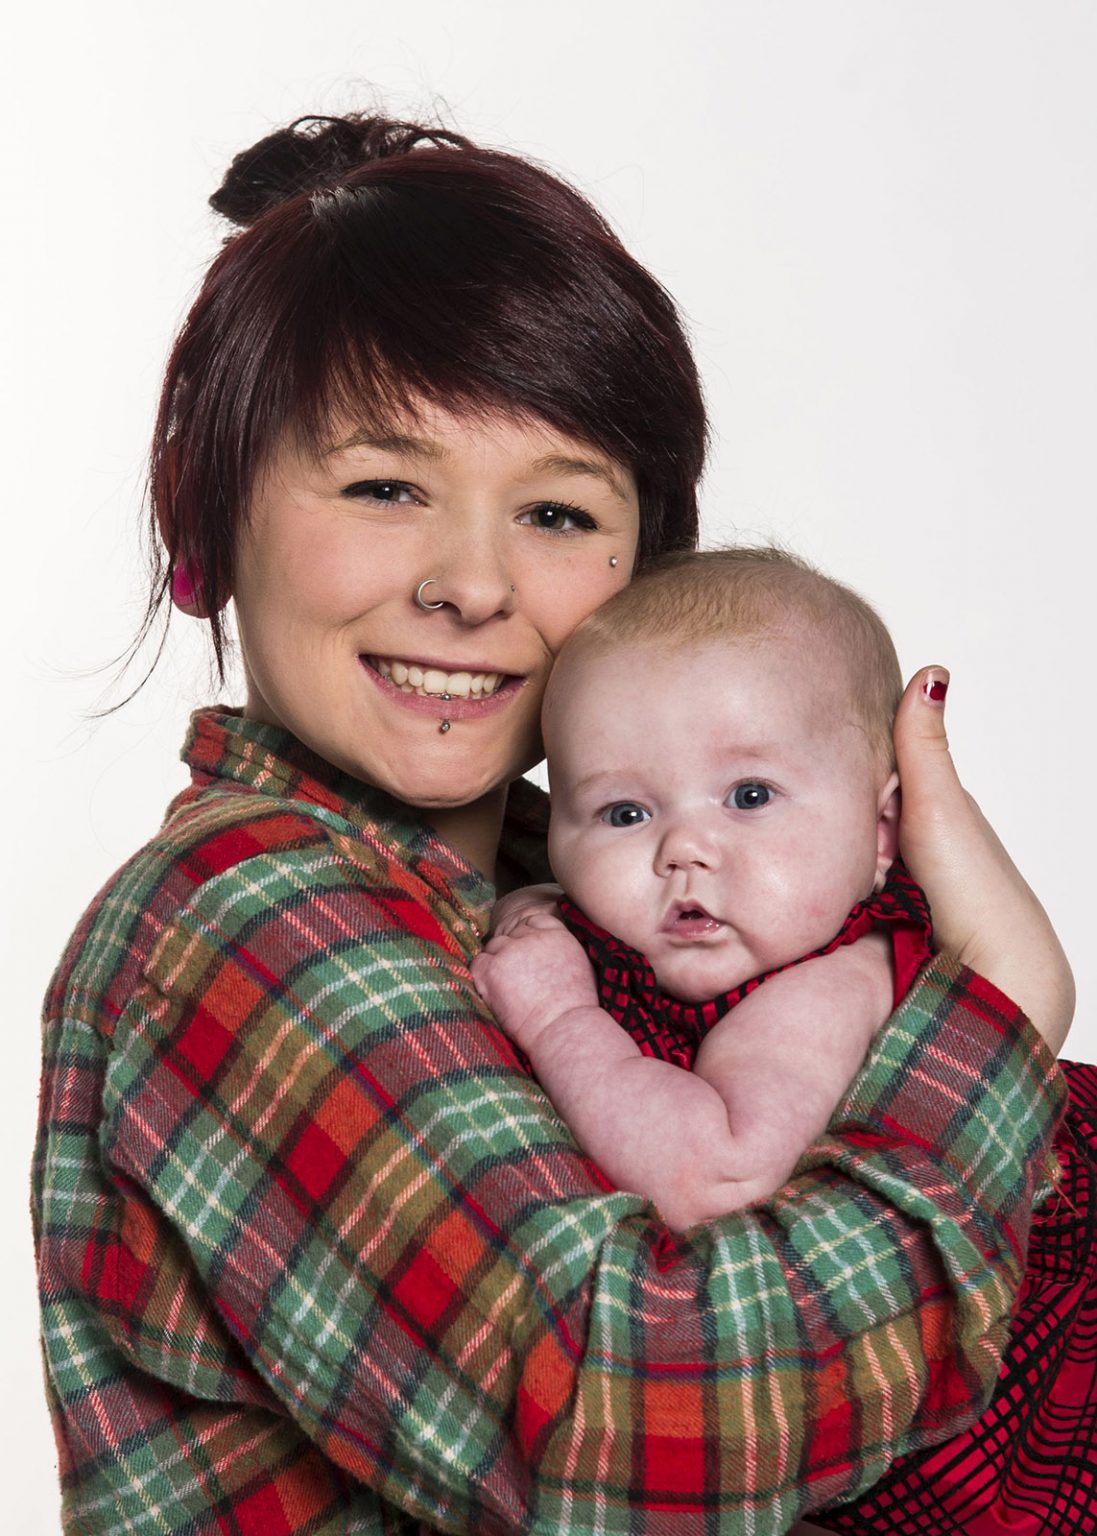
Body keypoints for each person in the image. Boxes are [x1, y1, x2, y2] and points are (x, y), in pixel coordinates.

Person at [32, 111, 1078, 1536]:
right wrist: (997, 1015)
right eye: (385, 487)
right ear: (201, 515)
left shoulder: (596, 888)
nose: (473, 586)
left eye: (561, 514)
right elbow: (641, 1419)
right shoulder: (252, 913)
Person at [473, 547, 934, 1227]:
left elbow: (717, 1180)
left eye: (750, 796)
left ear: (880, 834)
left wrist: (556, 1019)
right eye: (624, 814)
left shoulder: (827, 991)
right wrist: (530, 911)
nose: (683, 849)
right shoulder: (678, 928)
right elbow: (551, 903)